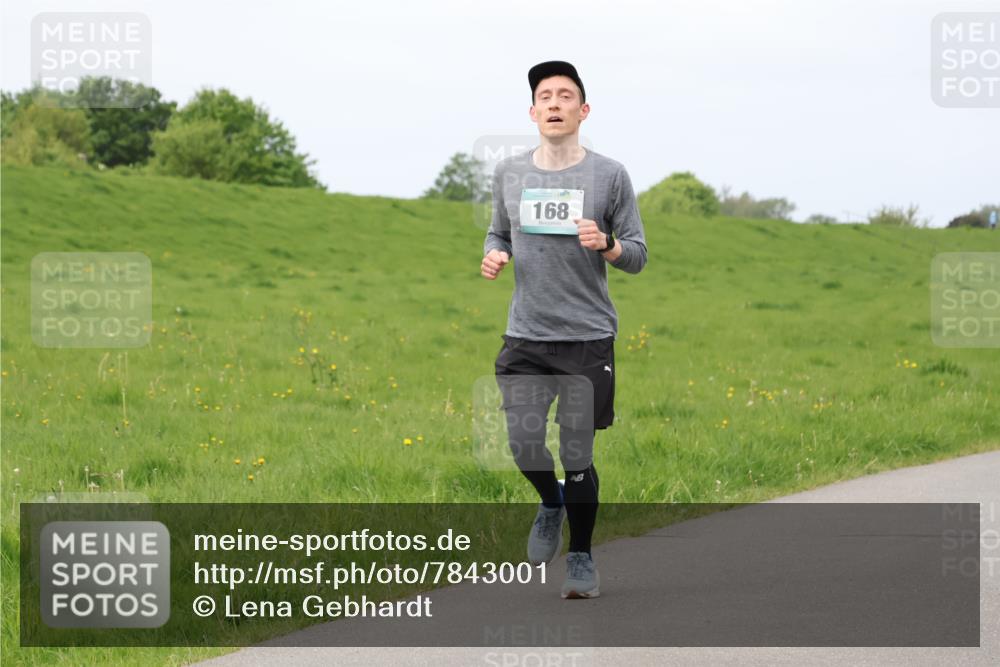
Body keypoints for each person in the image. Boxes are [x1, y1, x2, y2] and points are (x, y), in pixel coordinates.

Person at [480, 61, 648, 599]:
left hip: (586, 337)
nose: (554, 103)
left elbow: (638, 256)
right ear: (532, 112)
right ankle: (550, 503)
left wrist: (609, 245)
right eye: (545, 96)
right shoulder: (509, 172)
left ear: (583, 110)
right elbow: (496, 231)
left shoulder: (610, 175)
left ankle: (580, 557)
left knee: (578, 455)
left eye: (565, 95)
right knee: (524, 443)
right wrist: (495, 253)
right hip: (526, 334)